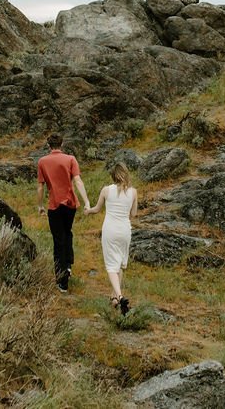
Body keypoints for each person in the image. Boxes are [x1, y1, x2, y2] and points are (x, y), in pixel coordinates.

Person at [37, 133, 90, 293]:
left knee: (58, 239)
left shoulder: (42, 162)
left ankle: (62, 281)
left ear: (48, 145)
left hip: (54, 205)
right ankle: (68, 265)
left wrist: (40, 205)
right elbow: (78, 180)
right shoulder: (70, 159)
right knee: (67, 232)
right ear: (62, 144)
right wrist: (86, 201)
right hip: (70, 204)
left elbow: (41, 186)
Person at [85, 161, 138, 314]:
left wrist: (88, 211)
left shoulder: (106, 190)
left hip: (110, 230)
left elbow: (96, 209)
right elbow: (133, 214)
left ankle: (120, 297)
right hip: (125, 230)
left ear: (113, 176)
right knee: (120, 264)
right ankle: (114, 298)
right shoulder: (133, 192)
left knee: (111, 266)